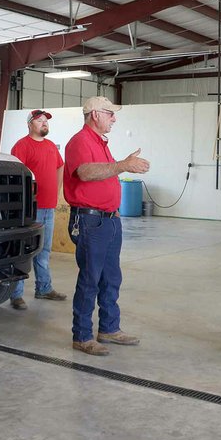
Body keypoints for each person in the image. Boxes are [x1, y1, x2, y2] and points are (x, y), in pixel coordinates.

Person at [63, 96, 149, 356]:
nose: (114, 118)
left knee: (111, 277)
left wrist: (120, 163)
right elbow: (85, 173)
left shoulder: (100, 142)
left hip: (109, 220)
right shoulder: (80, 141)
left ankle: (109, 328)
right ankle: (82, 335)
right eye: (110, 113)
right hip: (90, 221)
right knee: (90, 277)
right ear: (95, 115)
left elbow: (103, 171)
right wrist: (123, 165)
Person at [8, 109, 67, 310]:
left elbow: (61, 166)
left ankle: (44, 288)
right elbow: (15, 174)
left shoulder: (51, 146)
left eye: (46, 121)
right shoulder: (22, 146)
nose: (44, 123)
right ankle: (15, 294)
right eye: (40, 120)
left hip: (48, 207)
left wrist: (57, 190)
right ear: (30, 124)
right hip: (29, 209)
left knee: (44, 250)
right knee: (24, 251)